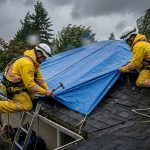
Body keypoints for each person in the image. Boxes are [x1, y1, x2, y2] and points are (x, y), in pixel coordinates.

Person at [0, 43, 54, 113]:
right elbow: (30, 85)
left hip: (18, 85)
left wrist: (47, 89)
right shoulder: (27, 63)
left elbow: (39, 79)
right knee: (27, 105)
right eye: (44, 58)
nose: (44, 60)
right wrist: (45, 92)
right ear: (38, 53)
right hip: (11, 88)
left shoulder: (34, 62)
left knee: (34, 94)